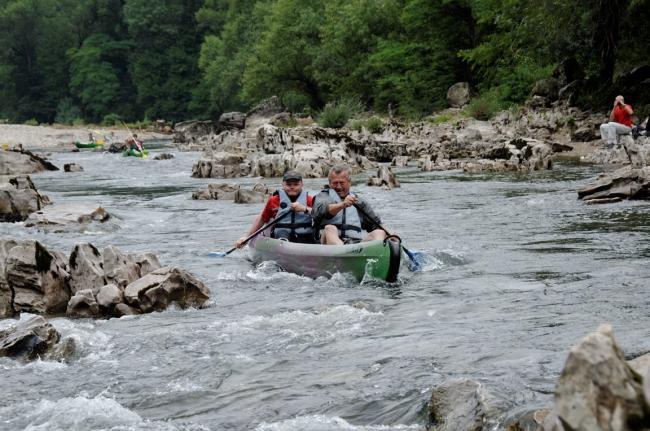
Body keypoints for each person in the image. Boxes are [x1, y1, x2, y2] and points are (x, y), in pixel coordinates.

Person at [234, 171, 315, 248]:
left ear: (302, 184)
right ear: (283, 184)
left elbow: (319, 214)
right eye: (288, 184)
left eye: (296, 184)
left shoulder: (310, 200)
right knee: (282, 233)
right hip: (281, 235)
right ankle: (283, 245)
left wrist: (304, 208)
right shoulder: (273, 200)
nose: (292, 187)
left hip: (304, 236)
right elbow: (262, 219)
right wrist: (246, 237)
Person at [312, 165, 387, 245]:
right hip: (328, 245)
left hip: (355, 245)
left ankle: (375, 255)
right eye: (335, 183)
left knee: (380, 233)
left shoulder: (359, 202)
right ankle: (341, 251)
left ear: (349, 182)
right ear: (330, 183)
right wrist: (342, 204)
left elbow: (376, 223)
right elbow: (322, 210)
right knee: (330, 229)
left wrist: (392, 235)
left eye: (342, 183)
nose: (338, 186)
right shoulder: (323, 197)